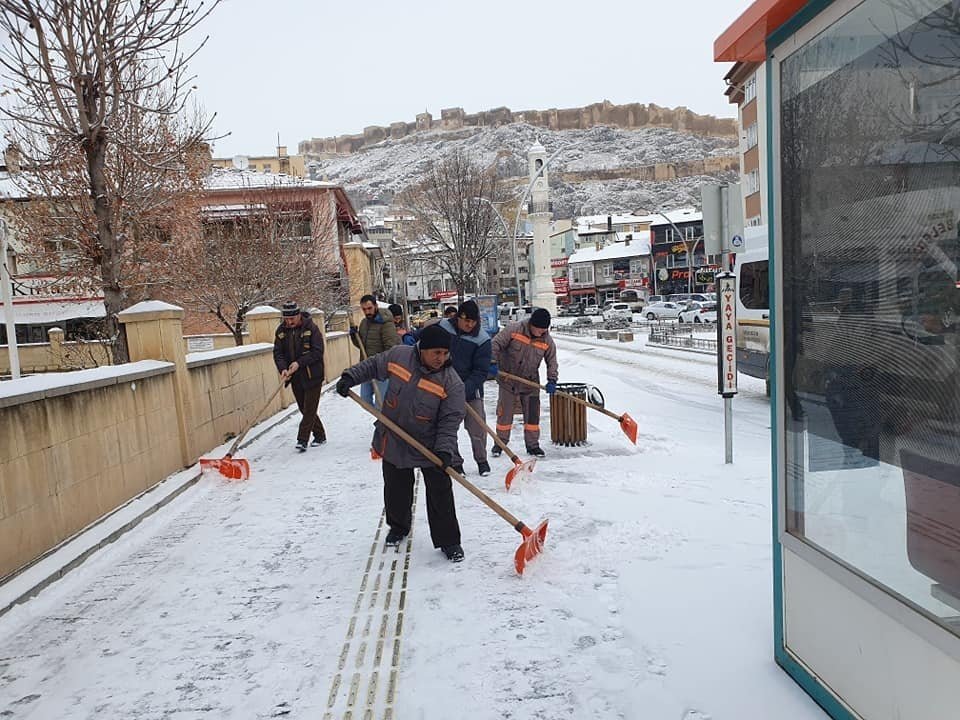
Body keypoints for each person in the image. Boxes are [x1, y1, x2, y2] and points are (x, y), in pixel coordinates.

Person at [337, 323, 466, 562]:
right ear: (422, 349)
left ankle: (449, 541)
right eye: (436, 352)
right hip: (395, 436)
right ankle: (398, 528)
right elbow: (374, 365)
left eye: (445, 353)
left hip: (430, 444)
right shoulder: (399, 356)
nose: (441, 358)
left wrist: (445, 451)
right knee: (396, 488)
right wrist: (350, 376)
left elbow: (449, 422)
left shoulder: (452, 383)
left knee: (440, 494)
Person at [491, 307, 558, 457]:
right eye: (540, 329)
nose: (543, 332)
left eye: (545, 329)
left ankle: (533, 446)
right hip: (508, 379)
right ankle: (500, 444)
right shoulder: (514, 329)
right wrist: (492, 362)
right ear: (532, 325)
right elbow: (495, 344)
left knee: (532, 417)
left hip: (530, 381)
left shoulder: (547, 340)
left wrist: (552, 379)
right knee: (504, 415)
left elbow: (552, 361)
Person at [439, 300, 492, 476]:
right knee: (449, 427)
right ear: (458, 317)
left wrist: (462, 390)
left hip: (470, 390)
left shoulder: (482, 339)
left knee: (477, 427)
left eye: (473, 321)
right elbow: (426, 338)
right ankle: (456, 462)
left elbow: (480, 371)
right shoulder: (444, 327)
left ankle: (482, 461)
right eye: (466, 321)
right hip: (445, 389)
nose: (469, 325)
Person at [273, 300, 326, 452]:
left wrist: (299, 363)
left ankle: (302, 440)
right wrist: (282, 368)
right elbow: (278, 353)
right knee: (304, 408)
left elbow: (317, 352)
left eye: (292, 319)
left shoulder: (311, 328)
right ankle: (320, 435)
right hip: (295, 377)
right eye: (286, 319)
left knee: (309, 409)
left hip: (312, 375)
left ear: (298, 315)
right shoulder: (281, 331)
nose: (289, 322)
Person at [350, 294, 400, 407]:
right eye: (364, 309)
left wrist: (382, 367)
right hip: (367, 368)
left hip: (381, 370)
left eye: (369, 308)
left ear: (376, 306)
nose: (367, 312)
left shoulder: (386, 324)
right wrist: (354, 336)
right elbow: (362, 346)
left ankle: (383, 423)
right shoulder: (364, 323)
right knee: (365, 400)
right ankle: (380, 420)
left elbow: (391, 349)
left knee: (382, 402)